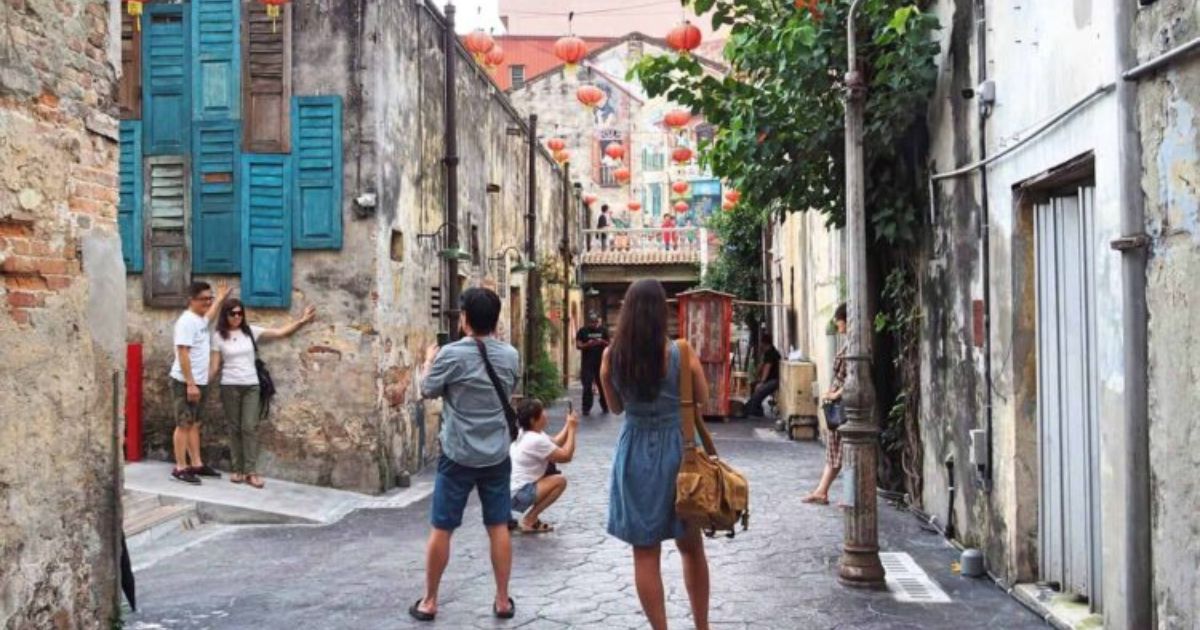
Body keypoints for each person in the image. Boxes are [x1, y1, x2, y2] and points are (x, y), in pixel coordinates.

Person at [600, 279, 711, 630]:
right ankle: (702, 627)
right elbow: (703, 400)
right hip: (681, 453)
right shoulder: (681, 351)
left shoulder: (612, 356)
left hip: (635, 454)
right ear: (662, 310)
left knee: (645, 552)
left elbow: (615, 408)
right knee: (691, 547)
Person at [411, 287, 520, 622]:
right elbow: (510, 387)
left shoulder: (450, 354)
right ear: (496, 318)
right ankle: (502, 600)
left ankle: (429, 601)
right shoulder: (510, 355)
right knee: (498, 525)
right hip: (496, 454)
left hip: (457, 454)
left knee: (442, 527)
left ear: (466, 319)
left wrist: (429, 361)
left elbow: (428, 390)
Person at [209, 299, 316, 489]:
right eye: (232, 314)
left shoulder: (250, 331)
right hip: (229, 386)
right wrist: (198, 384)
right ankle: (237, 469)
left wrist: (302, 321)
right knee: (234, 428)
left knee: (249, 427)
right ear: (225, 315)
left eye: (239, 313)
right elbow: (215, 366)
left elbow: (279, 332)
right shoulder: (218, 336)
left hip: (251, 385)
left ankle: (251, 472)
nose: (237, 317)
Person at [168, 280, 230, 485]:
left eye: (209, 298)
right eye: (203, 299)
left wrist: (219, 299)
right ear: (191, 300)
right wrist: (190, 383)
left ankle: (196, 463)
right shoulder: (186, 322)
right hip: (185, 382)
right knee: (184, 424)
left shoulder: (199, 319)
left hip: (199, 381)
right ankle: (180, 467)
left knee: (195, 423)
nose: (207, 302)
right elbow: (183, 353)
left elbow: (209, 317)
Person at [509, 399, 578, 533]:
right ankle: (530, 519)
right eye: (542, 413)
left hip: (514, 491)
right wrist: (572, 429)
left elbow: (556, 442)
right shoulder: (535, 440)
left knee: (555, 478)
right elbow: (566, 456)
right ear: (533, 421)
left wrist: (568, 424)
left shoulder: (527, 432)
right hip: (518, 495)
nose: (546, 414)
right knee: (560, 481)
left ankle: (530, 518)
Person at [804, 303, 847, 505]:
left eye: (839, 321)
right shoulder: (849, 343)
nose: (837, 325)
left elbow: (856, 377)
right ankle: (822, 490)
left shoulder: (856, 345)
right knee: (835, 448)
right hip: (837, 401)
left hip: (845, 404)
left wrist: (837, 393)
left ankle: (850, 496)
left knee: (845, 449)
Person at [575, 311, 610, 416]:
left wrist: (601, 342)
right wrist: (587, 344)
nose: (594, 324)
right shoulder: (583, 331)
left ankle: (605, 406)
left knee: (602, 385)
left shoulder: (603, 330)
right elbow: (578, 345)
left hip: (600, 363)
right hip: (587, 364)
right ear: (588, 322)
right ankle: (586, 408)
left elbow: (610, 344)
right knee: (587, 386)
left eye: (596, 322)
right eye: (592, 322)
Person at [743, 333, 781, 418]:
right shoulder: (767, 353)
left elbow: (767, 368)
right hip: (771, 380)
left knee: (759, 391)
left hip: (774, 380)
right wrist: (756, 377)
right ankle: (755, 410)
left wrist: (761, 382)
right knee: (754, 387)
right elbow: (762, 365)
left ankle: (752, 411)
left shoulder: (771, 353)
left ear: (764, 343)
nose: (760, 345)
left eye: (761, 343)